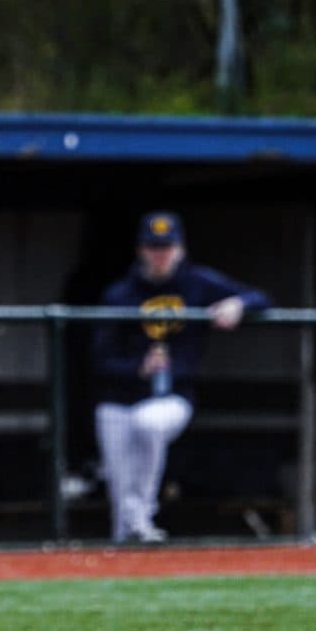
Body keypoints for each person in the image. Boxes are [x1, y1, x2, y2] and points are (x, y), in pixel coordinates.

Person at [91, 211, 270, 543]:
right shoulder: (120, 293)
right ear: (141, 250)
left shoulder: (197, 282)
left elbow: (260, 297)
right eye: (153, 247)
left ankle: (142, 521)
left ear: (180, 249)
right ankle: (129, 538)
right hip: (119, 399)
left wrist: (237, 305)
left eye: (167, 247)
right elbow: (99, 359)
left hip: (171, 395)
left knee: (148, 423)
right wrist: (137, 367)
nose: (160, 255)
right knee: (120, 489)